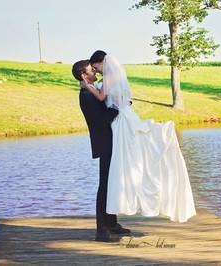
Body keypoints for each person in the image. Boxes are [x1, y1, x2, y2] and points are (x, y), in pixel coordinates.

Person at [83, 50, 196, 223]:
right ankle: (114, 213)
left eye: (96, 67)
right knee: (132, 154)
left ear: (100, 62)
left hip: (121, 118)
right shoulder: (113, 76)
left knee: (132, 153)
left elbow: (101, 96)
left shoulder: (108, 77)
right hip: (122, 114)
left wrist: (87, 86)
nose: (96, 71)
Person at [72, 60, 131, 242]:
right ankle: (101, 230)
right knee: (104, 186)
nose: (95, 72)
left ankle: (112, 224)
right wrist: (119, 106)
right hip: (104, 144)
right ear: (84, 75)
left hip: (110, 142)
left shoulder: (92, 91)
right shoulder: (86, 96)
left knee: (111, 183)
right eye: (91, 70)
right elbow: (102, 120)